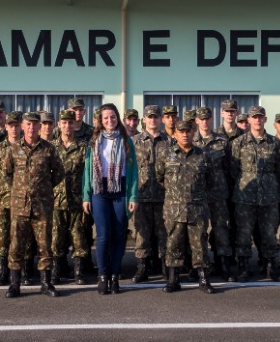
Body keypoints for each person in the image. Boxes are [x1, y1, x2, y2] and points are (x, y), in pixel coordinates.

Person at [0, 111, 65, 298]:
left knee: (44, 245)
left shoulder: (49, 148)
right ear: (22, 126)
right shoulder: (12, 149)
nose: (32, 127)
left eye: (36, 124)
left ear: (40, 126)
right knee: (16, 246)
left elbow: (58, 172)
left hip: (42, 205)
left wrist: (43, 188)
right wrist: (21, 191)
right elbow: (7, 174)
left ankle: (46, 282)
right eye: (28, 124)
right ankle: (14, 284)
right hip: (20, 205)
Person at [83, 103, 139, 295]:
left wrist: (132, 195)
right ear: (100, 120)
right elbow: (87, 171)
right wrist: (86, 195)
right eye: (105, 118)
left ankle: (115, 276)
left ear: (118, 119)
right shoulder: (94, 140)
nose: (109, 121)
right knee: (103, 236)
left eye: (112, 117)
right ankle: (103, 275)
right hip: (99, 190)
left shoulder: (126, 140)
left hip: (120, 189)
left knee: (118, 236)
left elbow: (133, 171)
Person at [157, 119, 216, 293]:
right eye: (181, 131)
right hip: (174, 209)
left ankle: (204, 280)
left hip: (197, 208)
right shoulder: (167, 155)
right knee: (173, 244)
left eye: (188, 131)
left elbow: (209, 181)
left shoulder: (203, 155)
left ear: (193, 132)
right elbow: (160, 177)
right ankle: (173, 280)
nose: (185, 134)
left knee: (200, 245)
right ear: (175, 133)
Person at [229, 106, 280, 281]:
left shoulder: (275, 143)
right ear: (249, 120)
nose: (257, 120)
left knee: (269, 233)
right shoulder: (238, 143)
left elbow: (279, 170)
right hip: (245, 197)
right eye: (254, 118)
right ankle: (244, 267)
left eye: (260, 117)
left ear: (265, 120)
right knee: (244, 234)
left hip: (269, 197)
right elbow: (233, 169)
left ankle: (271, 267)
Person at [193, 107, 233, 281]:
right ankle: (200, 265)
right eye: (201, 119)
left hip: (218, 192)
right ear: (196, 121)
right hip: (198, 193)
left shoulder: (222, 141)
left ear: (212, 120)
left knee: (221, 229)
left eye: (207, 119)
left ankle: (223, 262)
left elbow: (230, 167)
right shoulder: (190, 141)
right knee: (198, 230)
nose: (204, 122)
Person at [52, 109, 91, 285]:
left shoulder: (83, 148)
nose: (67, 126)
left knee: (79, 237)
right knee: (56, 238)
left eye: (70, 122)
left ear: (75, 124)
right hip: (56, 200)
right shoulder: (51, 148)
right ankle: (56, 270)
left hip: (76, 201)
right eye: (64, 122)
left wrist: (86, 197)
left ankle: (78, 272)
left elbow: (88, 175)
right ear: (59, 125)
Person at [132, 104, 168, 283]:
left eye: (156, 116)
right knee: (142, 235)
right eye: (149, 117)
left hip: (164, 197)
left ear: (161, 119)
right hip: (141, 196)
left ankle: (165, 267)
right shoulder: (134, 142)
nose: (152, 120)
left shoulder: (169, 142)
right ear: (144, 120)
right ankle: (142, 268)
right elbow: (129, 171)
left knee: (164, 233)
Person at [0, 111, 24, 284]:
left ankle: (22, 272)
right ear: (6, 127)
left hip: (23, 201)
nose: (14, 129)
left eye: (17, 125)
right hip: (3, 200)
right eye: (11, 125)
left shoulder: (27, 147)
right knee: (2, 237)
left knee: (21, 237)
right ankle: (2, 271)